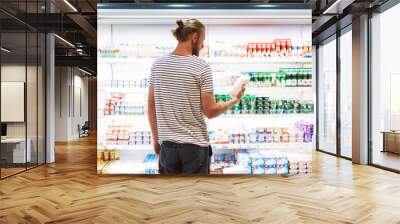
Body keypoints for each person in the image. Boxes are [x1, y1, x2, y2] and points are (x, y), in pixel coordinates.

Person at [147, 19, 245, 175]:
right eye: (202, 40)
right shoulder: (201, 66)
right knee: (195, 196)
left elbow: (151, 106)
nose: (202, 45)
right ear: (194, 37)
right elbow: (210, 111)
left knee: (168, 196)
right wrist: (234, 100)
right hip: (195, 149)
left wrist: (156, 139)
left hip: (167, 148)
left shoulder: (157, 65)